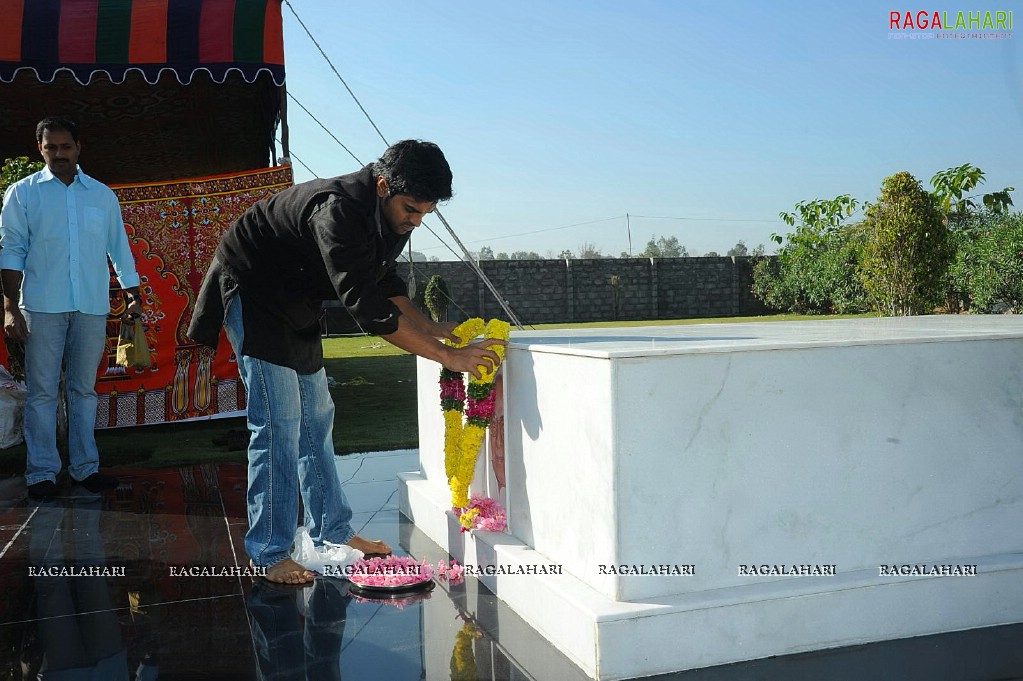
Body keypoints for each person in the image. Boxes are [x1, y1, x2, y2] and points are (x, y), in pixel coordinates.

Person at [188, 139, 504, 585]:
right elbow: (367, 305)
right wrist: (448, 356)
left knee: (317, 418)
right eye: (411, 210)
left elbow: (388, 285)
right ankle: (268, 551)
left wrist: (438, 330)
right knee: (279, 423)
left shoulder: (390, 213)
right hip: (255, 291)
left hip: (295, 299)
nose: (415, 222)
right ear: (381, 185)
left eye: (424, 214)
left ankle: (331, 532)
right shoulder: (337, 210)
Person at [0, 117, 143, 501]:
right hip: (42, 307)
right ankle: (42, 473)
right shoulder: (22, 194)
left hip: (91, 307)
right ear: (40, 149)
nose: (60, 154)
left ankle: (85, 469)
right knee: (43, 393)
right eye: (52, 147)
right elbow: (10, 249)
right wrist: (10, 306)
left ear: (79, 147)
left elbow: (119, 248)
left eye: (66, 146)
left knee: (83, 390)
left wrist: (133, 295)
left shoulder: (101, 195)